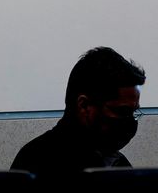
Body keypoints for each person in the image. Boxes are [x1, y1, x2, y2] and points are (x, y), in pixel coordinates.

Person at [11, 47, 145, 190]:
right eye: (122, 111)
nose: (129, 121)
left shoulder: (116, 163)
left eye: (134, 112)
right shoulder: (37, 163)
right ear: (84, 105)